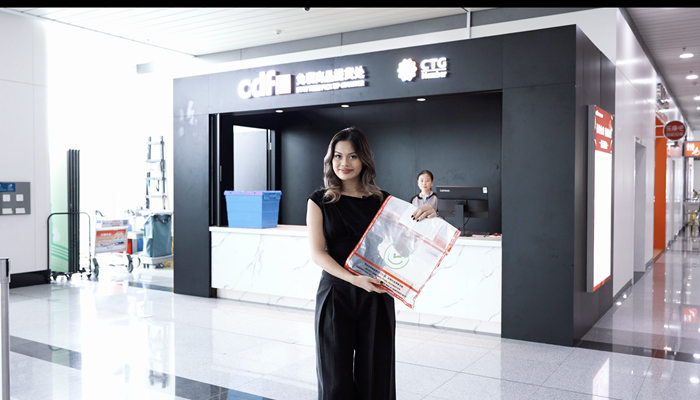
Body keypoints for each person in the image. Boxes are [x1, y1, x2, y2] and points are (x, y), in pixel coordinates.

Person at [306, 127, 436, 400]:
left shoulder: (383, 200)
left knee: (377, 376)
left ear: (364, 159)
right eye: (338, 156)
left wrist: (428, 217)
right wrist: (353, 279)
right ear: (330, 160)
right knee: (334, 378)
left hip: (376, 292)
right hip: (336, 293)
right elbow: (317, 253)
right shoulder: (320, 200)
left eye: (352, 156)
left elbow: (404, 246)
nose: (344, 163)